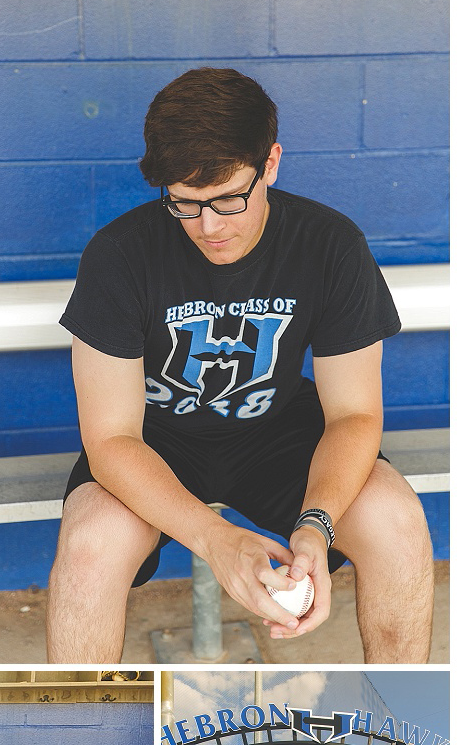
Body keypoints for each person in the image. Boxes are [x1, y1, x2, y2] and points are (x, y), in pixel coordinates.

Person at [47, 68, 433, 663]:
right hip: (155, 438)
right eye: (185, 203)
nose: (209, 226)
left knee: (396, 519)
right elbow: (111, 439)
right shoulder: (120, 253)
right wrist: (218, 543)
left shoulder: (328, 243)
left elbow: (355, 414)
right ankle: (73, 741)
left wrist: (316, 525)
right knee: (92, 539)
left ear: (270, 163)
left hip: (277, 429)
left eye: (229, 198)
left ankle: (401, 737)